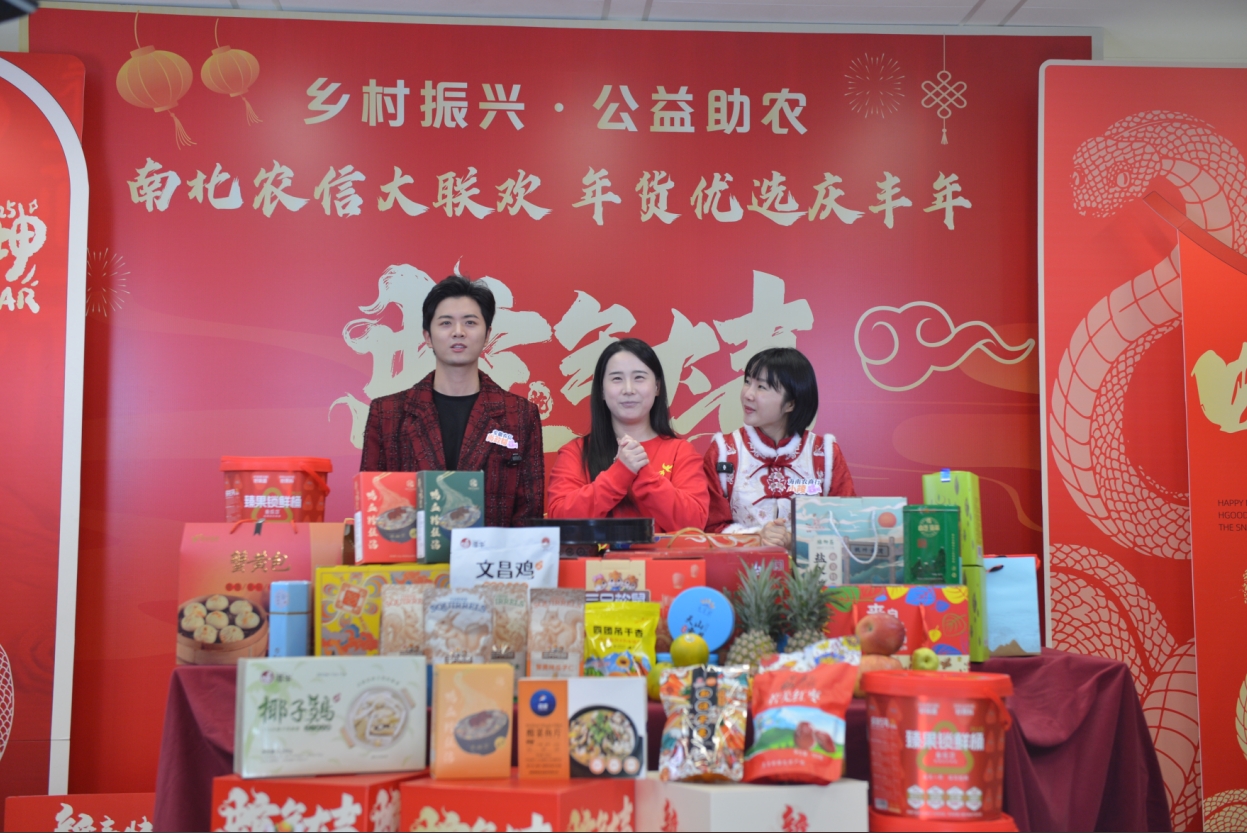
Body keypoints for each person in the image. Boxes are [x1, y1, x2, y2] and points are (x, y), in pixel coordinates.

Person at [360, 275, 544, 526]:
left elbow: (529, 515)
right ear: (427, 336)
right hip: (411, 549)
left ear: (487, 335)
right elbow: (374, 506)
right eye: (446, 323)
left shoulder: (520, 415)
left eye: (470, 322)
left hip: (490, 550)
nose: (459, 332)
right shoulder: (387, 414)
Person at [547, 338, 709, 532]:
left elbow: (694, 525)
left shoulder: (681, 452)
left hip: (662, 554)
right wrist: (620, 473)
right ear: (602, 390)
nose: (628, 390)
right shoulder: (576, 452)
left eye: (639, 377)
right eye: (617, 379)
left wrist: (645, 475)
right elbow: (559, 522)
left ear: (657, 387)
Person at [703, 347, 855, 547]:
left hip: (807, 566)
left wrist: (793, 540)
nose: (748, 394)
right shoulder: (724, 452)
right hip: (741, 565)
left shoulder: (824, 454)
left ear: (790, 404)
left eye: (761, 387)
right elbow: (710, 526)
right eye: (747, 382)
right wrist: (756, 537)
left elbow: (847, 523)